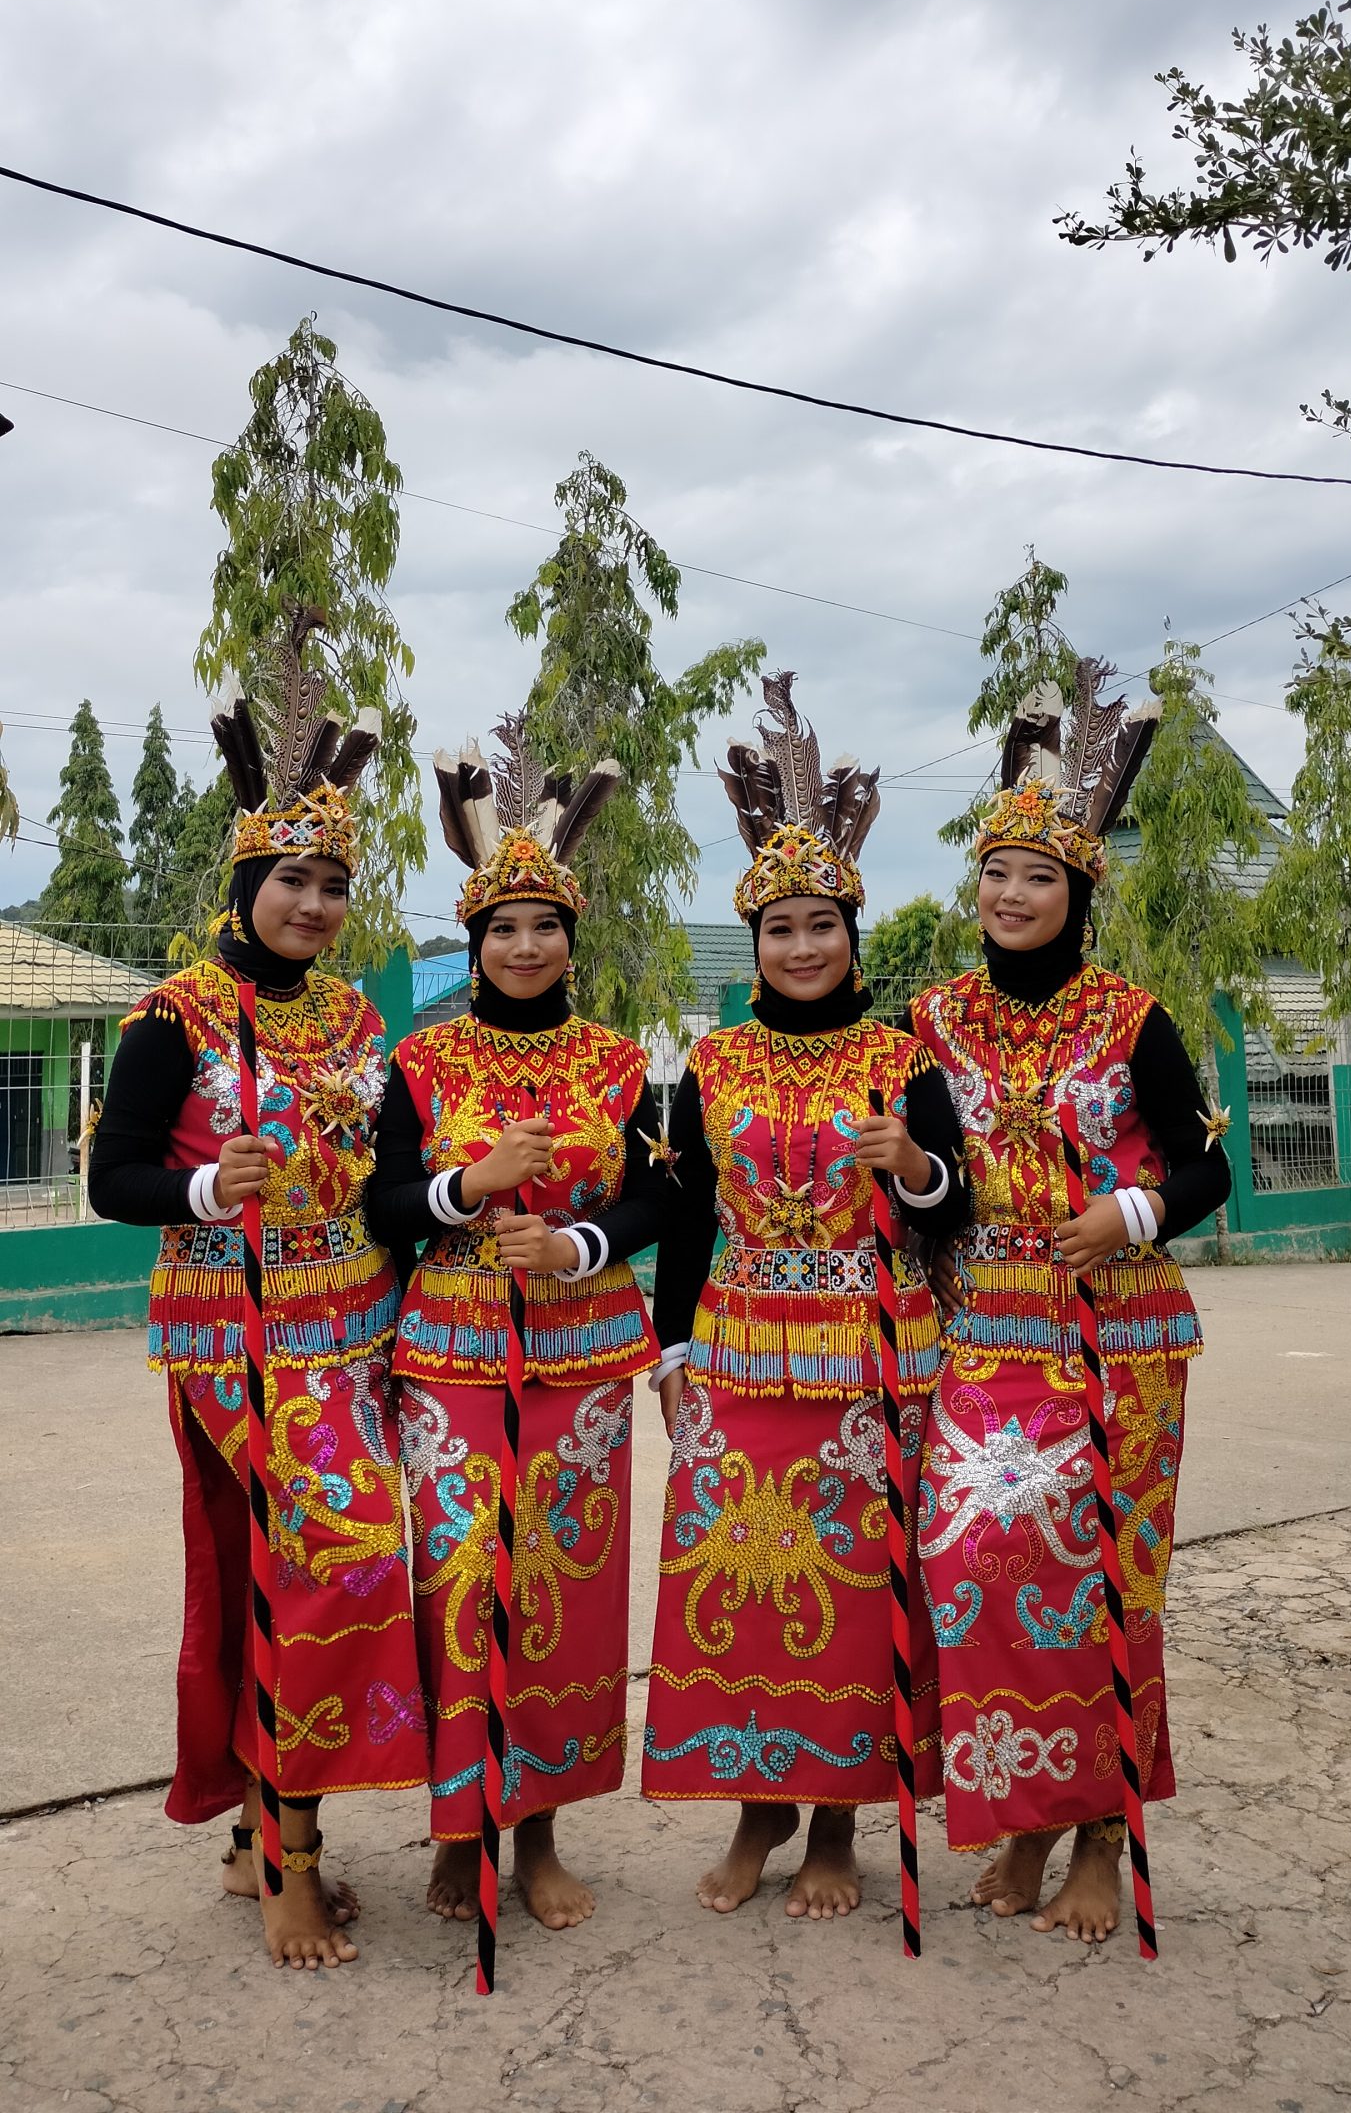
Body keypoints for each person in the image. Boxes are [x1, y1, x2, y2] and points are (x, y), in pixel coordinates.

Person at [90, 616, 424, 1971]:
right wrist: (201, 1189)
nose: (315, 904)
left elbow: (388, 1179)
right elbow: (113, 1177)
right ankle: (293, 1861)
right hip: (236, 1342)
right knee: (329, 1566)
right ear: (247, 883)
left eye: (335, 884)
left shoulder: (356, 1020)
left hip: (355, 1334)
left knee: (289, 1580)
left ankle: (255, 1840)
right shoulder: (172, 1014)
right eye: (294, 878)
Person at [909, 661, 1231, 1943]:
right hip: (986, 1335)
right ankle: (1028, 1817)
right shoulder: (932, 1020)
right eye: (995, 872)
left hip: (1118, 1334)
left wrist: (1132, 1214)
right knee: (976, 1570)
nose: (1010, 894)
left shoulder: (1134, 1018)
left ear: (1078, 891)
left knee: (1106, 1586)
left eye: (1036, 876)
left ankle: (1100, 1838)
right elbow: (930, 1192)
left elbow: (1206, 1164)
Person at [642, 673, 968, 1919]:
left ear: (851, 930)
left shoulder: (903, 1059)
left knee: (851, 1591)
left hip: (871, 1361)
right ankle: (755, 1807)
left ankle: (836, 1822)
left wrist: (916, 1165)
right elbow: (682, 1220)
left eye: (820, 924)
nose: (801, 947)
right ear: (755, 941)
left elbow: (952, 1209)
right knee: (734, 1585)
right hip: (734, 1360)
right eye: (779, 928)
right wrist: (671, 1354)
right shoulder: (712, 1061)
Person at [368, 718, 662, 1938]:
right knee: (459, 1585)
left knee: (563, 1590)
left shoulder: (621, 1063)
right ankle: (459, 1825)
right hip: (451, 1355)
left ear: (570, 938)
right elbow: (384, 1202)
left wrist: (579, 1244)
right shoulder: (422, 1062)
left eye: (545, 925)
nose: (526, 944)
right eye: (504, 926)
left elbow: (658, 1198)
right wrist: (470, 1185)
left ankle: (537, 1830)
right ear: (475, 937)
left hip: (579, 1362)